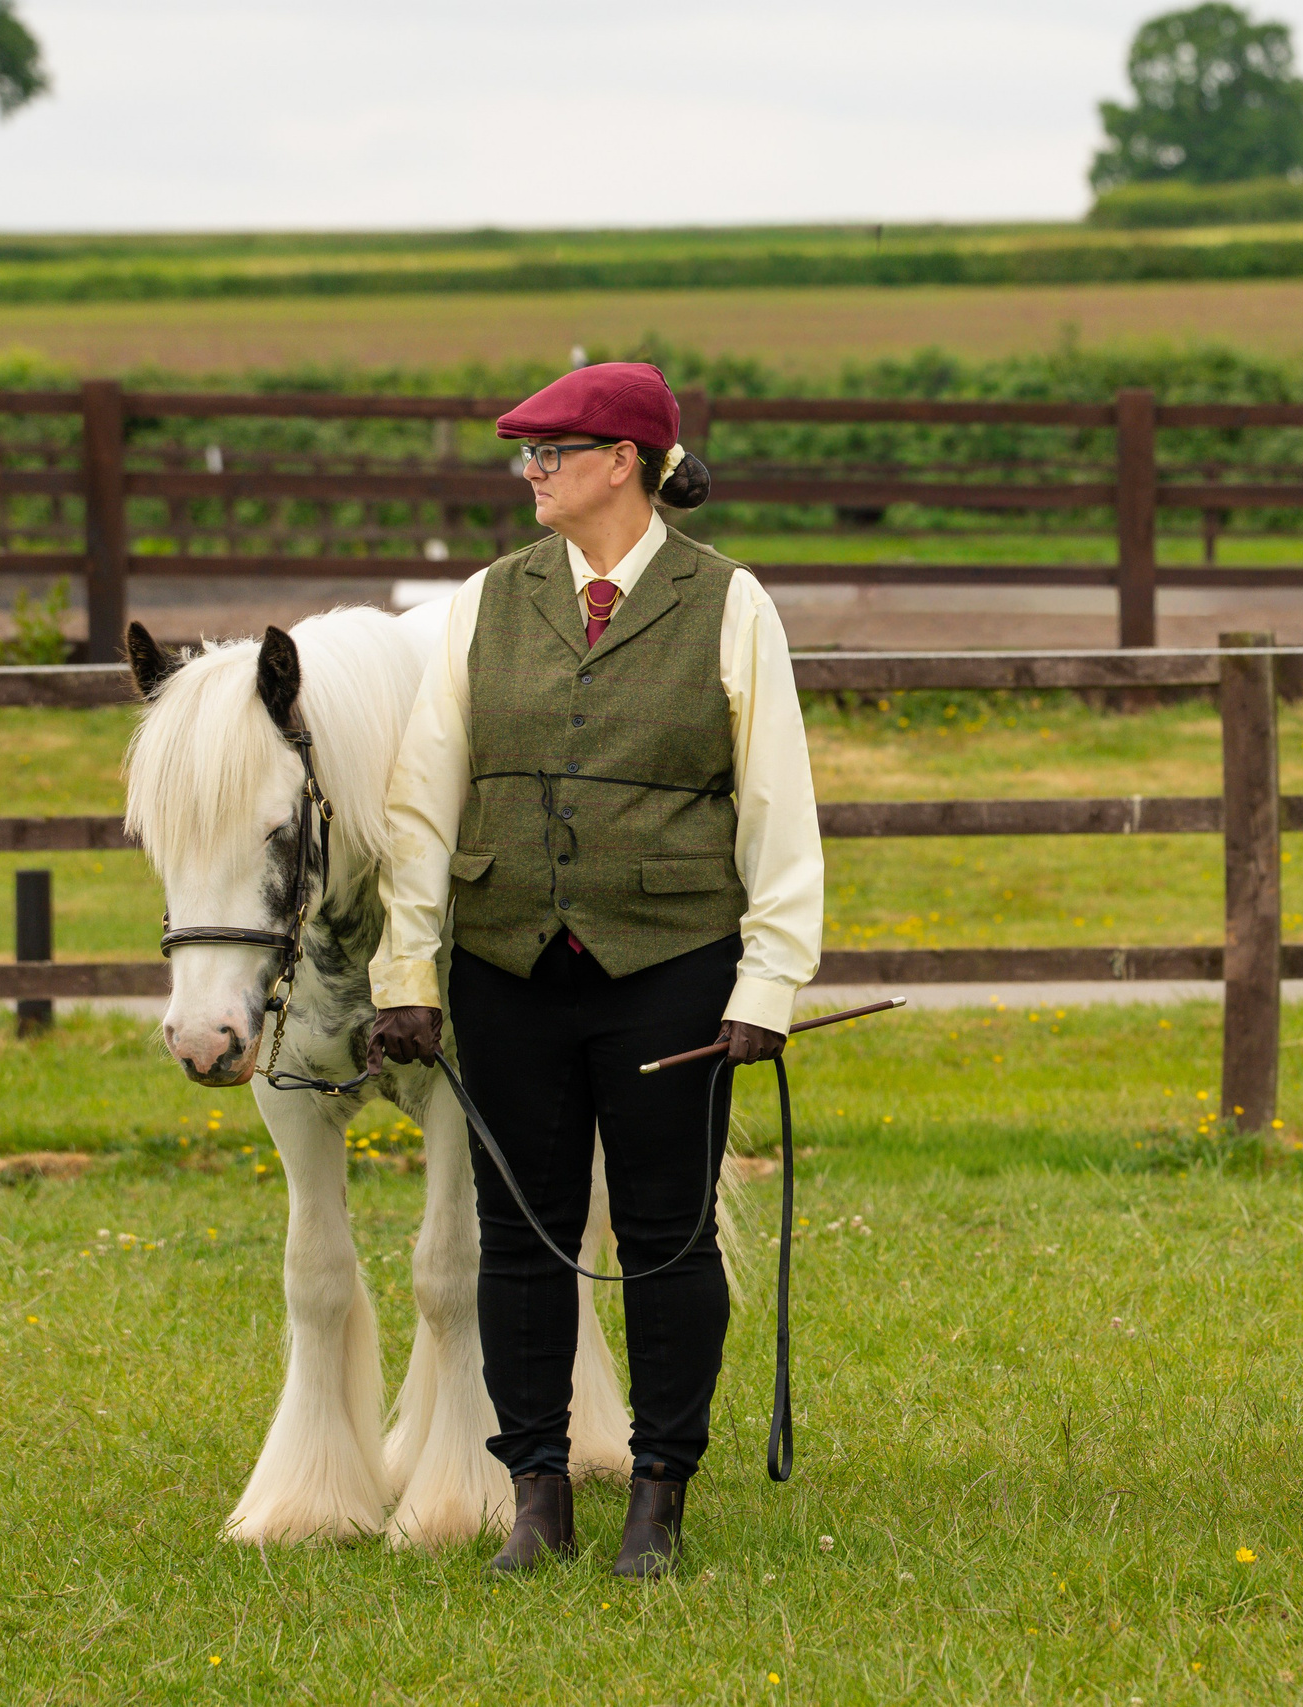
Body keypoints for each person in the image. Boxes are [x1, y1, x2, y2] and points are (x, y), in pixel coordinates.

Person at [365, 361, 823, 1578]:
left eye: (550, 453)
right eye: (527, 455)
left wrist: (766, 984)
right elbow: (422, 797)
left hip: (672, 963)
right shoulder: (484, 600)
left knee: (670, 1235)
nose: (532, 474)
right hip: (508, 961)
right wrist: (406, 972)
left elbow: (778, 804)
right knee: (519, 1235)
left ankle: (659, 1500)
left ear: (622, 459)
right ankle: (536, 1495)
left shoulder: (731, 604)